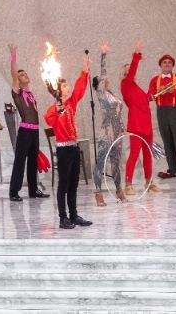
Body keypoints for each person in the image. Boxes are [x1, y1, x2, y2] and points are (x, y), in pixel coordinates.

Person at [44, 53, 93, 229]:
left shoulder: (71, 103)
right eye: (65, 85)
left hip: (74, 148)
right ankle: (62, 217)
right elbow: (48, 120)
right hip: (63, 150)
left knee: (74, 184)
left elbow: (80, 88)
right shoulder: (53, 109)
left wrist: (85, 69)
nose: (68, 87)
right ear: (58, 90)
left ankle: (74, 215)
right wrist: (57, 110)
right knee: (63, 184)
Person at [7, 44, 49, 202]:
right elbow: (13, 75)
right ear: (18, 80)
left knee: (33, 160)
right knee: (20, 161)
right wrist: (13, 56)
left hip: (35, 131)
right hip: (25, 131)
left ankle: (33, 190)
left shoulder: (29, 93)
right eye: (22, 75)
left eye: (25, 74)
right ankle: (13, 192)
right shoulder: (18, 92)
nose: (25, 75)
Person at [122, 39, 159, 195]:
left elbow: (144, 100)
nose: (132, 71)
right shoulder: (126, 84)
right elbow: (132, 72)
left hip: (146, 125)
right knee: (134, 154)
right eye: (129, 70)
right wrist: (136, 55)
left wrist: (153, 95)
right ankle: (128, 184)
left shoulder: (137, 88)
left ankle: (149, 182)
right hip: (136, 125)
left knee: (148, 154)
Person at [92, 43, 127, 206]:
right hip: (107, 134)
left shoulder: (111, 94)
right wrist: (103, 55)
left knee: (116, 164)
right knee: (101, 163)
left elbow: (118, 112)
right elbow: (103, 72)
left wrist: (122, 128)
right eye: (102, 80)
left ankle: (119, 190)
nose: (106, 79)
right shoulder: (101, 94)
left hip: (118, 133)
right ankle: (98, 193)